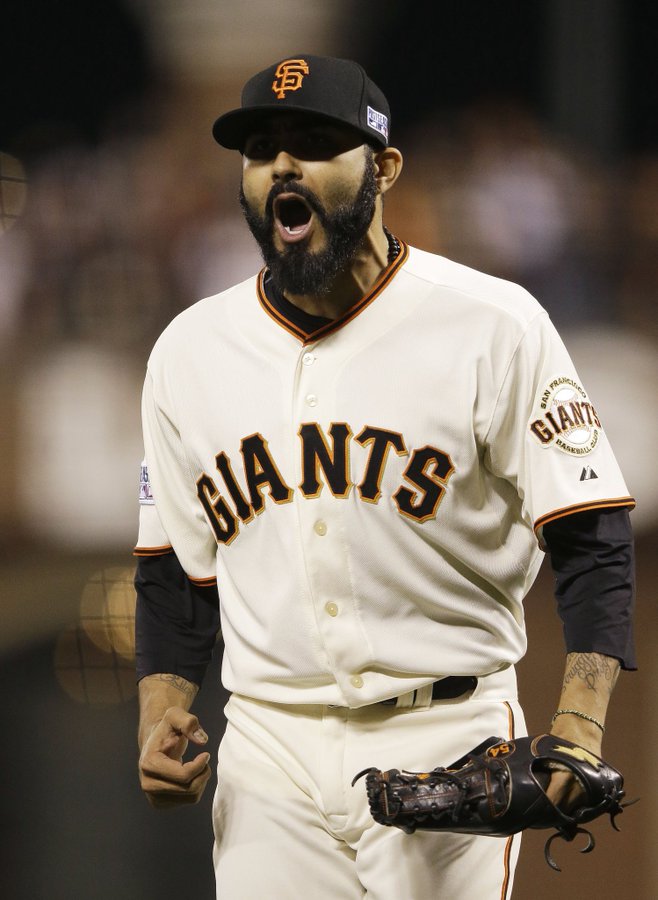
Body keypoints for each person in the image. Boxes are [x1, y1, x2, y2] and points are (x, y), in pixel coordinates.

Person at [134, 55, 636, 899]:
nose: (282, 164)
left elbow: (592, 535)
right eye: (260, 149)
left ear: (385, 167)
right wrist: (157, 716)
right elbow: (173, 573)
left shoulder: (493, 324)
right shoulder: (189, 350)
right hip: (267, 751)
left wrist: (580, 723)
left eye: (314, 142)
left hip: (449, 736)